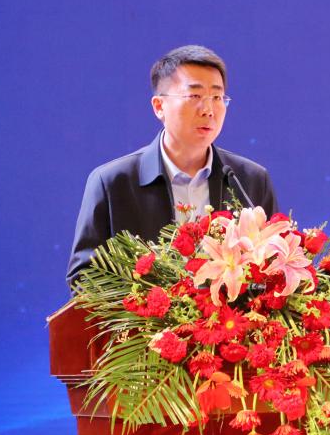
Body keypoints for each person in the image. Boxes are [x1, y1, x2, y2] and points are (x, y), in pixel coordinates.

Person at [67, 45, 278, 286]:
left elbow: (274, 265)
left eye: (217, 97)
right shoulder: (112, 183)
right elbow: (84, 278)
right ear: (159, 106)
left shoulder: (250, 180)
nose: (208, 110)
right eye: (195, 96)